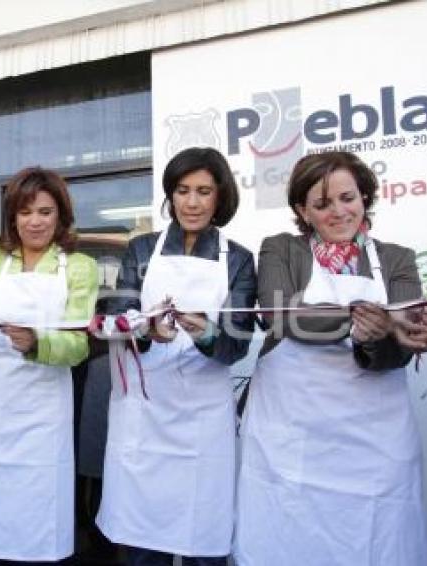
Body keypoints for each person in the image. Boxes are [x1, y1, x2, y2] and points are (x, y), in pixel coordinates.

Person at [234, 151, 427, 566]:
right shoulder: (281, 249)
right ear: (303, 211)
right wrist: (366, 317)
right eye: (322, 204)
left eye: (348, 198)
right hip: (290, 437)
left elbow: (404, 341)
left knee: (378, 538)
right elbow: (281, 315)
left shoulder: (397, 259)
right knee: (285, 538)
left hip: (374, 443)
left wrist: (377, 340)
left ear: (365, 197)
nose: (340, 212)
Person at [95, 147, 257, 566]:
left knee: (204, 537)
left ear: (220, 197)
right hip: (144, 415)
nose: (192, 202)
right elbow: (117, 318)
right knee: (142, 540)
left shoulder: (237, 258)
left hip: (203, 420)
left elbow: (237, 343)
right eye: (183, 190)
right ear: (171, 195)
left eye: (204, 191)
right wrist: (147, 328)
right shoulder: (141, 249)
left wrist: (206, 333)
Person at [0, 166, 99, 563]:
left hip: (41, 413)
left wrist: (38, 343)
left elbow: (78, 344)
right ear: (12, 216)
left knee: (33, 518)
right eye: (25, 212)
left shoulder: (79, 267)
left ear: (60, 215)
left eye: (45, 211)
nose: (35, 221)